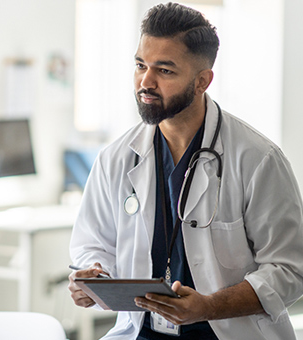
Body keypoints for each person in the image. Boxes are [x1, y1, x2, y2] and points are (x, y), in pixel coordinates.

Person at [68, 3, 303, 340]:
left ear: (202, 81)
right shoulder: (117, 158)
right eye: (140, 65)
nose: (145, 81)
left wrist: (209, 306)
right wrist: (93, 277)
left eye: (164, 70)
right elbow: (91, 243)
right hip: (143, 332)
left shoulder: (257, 159)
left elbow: (290, 270)